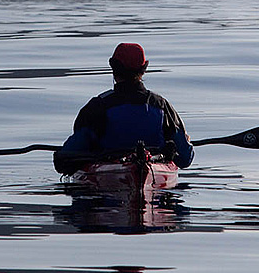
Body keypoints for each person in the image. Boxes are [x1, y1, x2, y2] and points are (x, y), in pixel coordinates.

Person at [53, 42, 194, 174]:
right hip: (153, 172)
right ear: (143, 70)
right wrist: (185, 142)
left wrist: (61, 155)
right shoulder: (162, 106)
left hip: (107, 177)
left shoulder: (97, 107)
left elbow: (62, 162)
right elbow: (185, 159)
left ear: (114, 69)